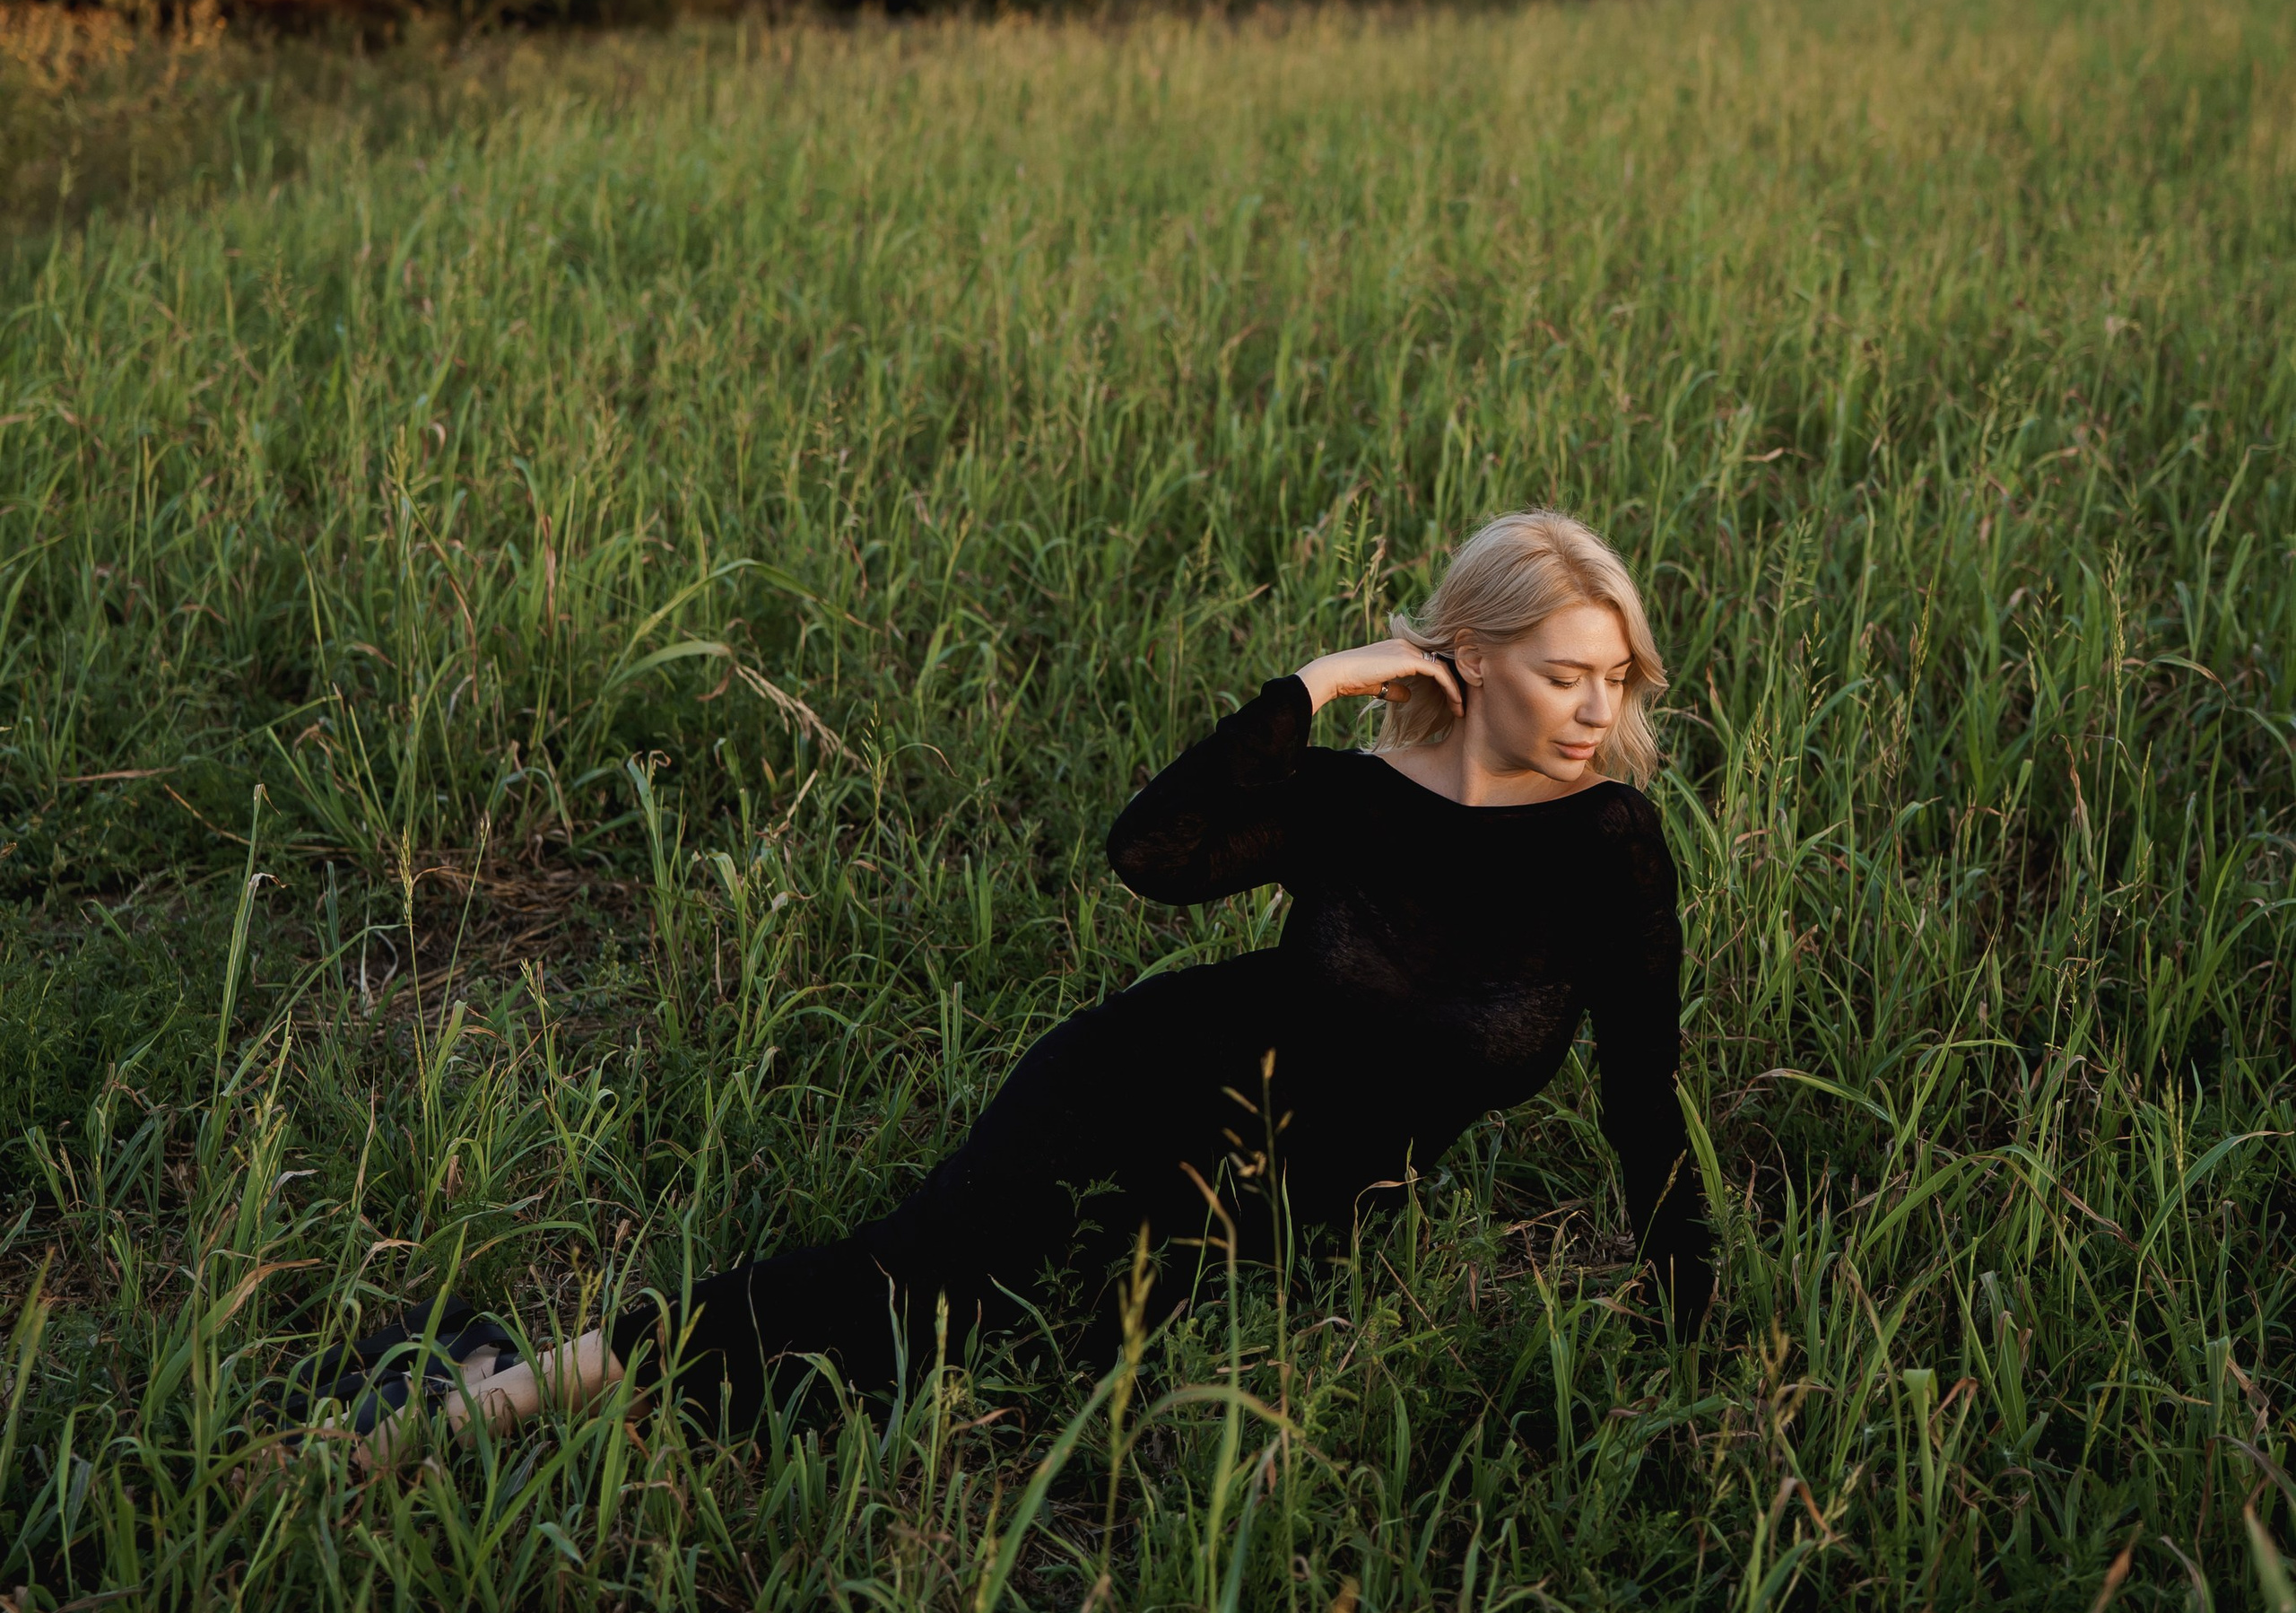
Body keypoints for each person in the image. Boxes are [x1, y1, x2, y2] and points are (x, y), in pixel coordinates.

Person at [329, 507, 1711, 1465]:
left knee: (1003, 1368)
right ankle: (469, 1416)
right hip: (1136, 1093)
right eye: (1566, 675)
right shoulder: (1349, 801)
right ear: (1471, 661)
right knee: (895, 1291)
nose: (1601, 710)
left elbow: (1644, 1100)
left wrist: (1693, 1345)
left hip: (1263, 1221)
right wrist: (1320, 681)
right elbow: (1154, 858)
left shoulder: (1606, 846)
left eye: (1617, 677)